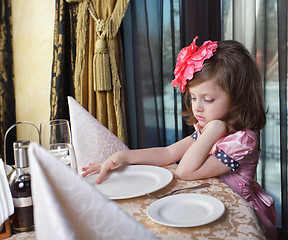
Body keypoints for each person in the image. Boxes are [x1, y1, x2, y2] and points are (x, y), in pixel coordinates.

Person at [82, 36, 277, 239]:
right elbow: (168, 153)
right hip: (207, 207)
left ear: (238, 98)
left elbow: (185, 171)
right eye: (193, 97)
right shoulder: (208, 127)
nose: (197, 107)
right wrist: (122, 157)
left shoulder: (241, 141)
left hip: (236, 214)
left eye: (208, 99)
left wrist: (214, 130)